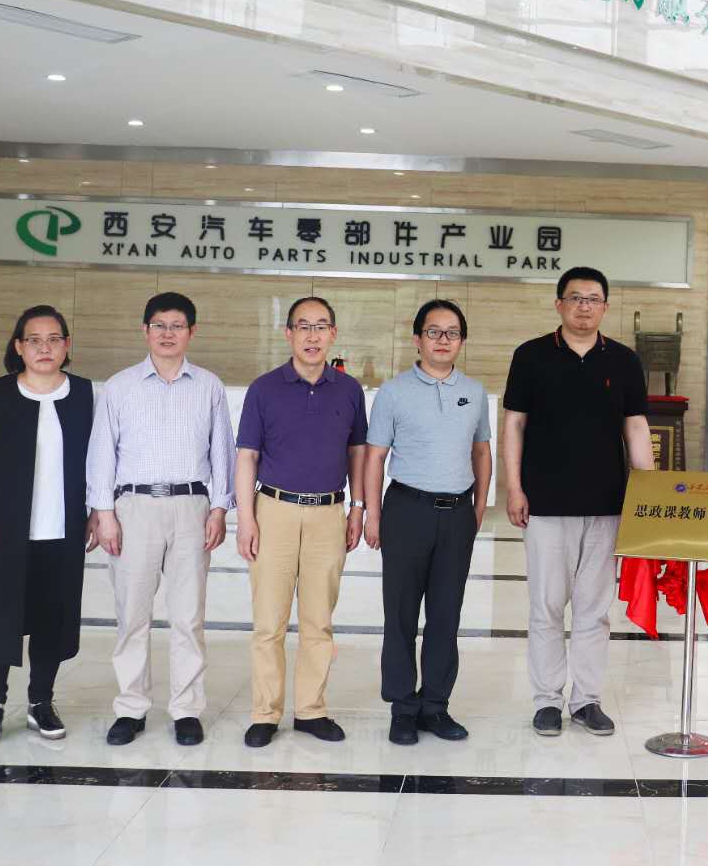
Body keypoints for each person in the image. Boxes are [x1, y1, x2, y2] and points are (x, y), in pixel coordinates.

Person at [503, 266, 653, 738]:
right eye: (575, 298)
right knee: (546, 607)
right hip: (545, 504)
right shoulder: (530, 356)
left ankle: (586, 699)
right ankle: (547, 700)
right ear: (559, 304)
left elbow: (636, 427)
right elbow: (514, 424)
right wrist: (514, 487)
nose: (584, 306)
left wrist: (647, 496)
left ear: (605, 307)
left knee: (593, 609)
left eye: (593, 299)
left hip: (606, 505)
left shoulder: (624, 361)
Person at [86, 292, 234, 748]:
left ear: (192, 331)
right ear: (145, 330)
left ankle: (186, 709)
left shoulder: (208, 386)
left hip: (191, 508)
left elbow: (222, 452)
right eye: (159, 325)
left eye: (177, 325)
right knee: (132, 615)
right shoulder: (120, 386)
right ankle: (131, 707)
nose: (168, 334)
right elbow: (101, 453)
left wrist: (219, 508)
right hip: (133, 509)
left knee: (188, 617)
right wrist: (104, 514)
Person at [235, 295, 368, 748]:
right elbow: (247, 457)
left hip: (329, 513)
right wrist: (246, 519)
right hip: (273, 510)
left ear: (333, 334)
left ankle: (311, 710)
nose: (312, 336)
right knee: (268, 622)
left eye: (321, 326)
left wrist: (357, 508)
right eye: (303, 326)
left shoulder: (349, 390)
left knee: (318, 621)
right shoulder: (264, 389)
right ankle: (265, 713)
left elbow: (357, 452)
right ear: (288, 333)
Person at [0, 305, 96, 747]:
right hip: (3, 529)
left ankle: (41, 701)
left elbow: (101, 459)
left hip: (63, 530)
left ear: (67, 345)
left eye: (54, 339)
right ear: (19, 346)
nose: (44, 348)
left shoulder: (85, 394)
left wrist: (98, 510)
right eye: (34, 340)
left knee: (51, 619)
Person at [362, 299, 492, 746]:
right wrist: (372, 514)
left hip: (456, 513)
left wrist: (478, 506)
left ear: (461, 341)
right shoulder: (393, 392)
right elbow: (375, 457)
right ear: (417, 339)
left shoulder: (474, 392)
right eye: (433, 332)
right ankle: (402, 708)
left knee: (445, 613)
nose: (442, 340)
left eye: (452, 332)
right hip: (406, 510)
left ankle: (435, 704)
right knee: (400, 613)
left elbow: (481, 452)